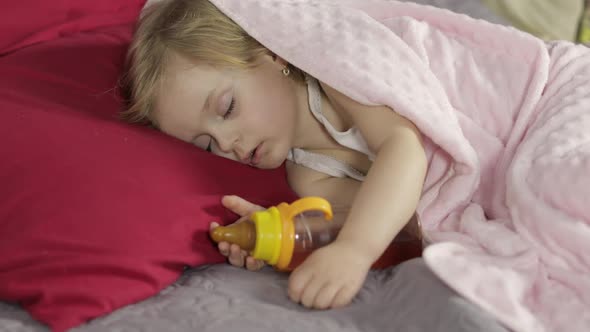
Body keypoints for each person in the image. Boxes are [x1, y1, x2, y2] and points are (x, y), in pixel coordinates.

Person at [120, 0, 426, 310]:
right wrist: (277, 234)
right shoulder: (308, 175)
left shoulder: (338, 75)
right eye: (206, 145)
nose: (226, 145)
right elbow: (405, 217)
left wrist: (355, 249)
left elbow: (403, 148)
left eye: (227, 108)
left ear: (271, 53)